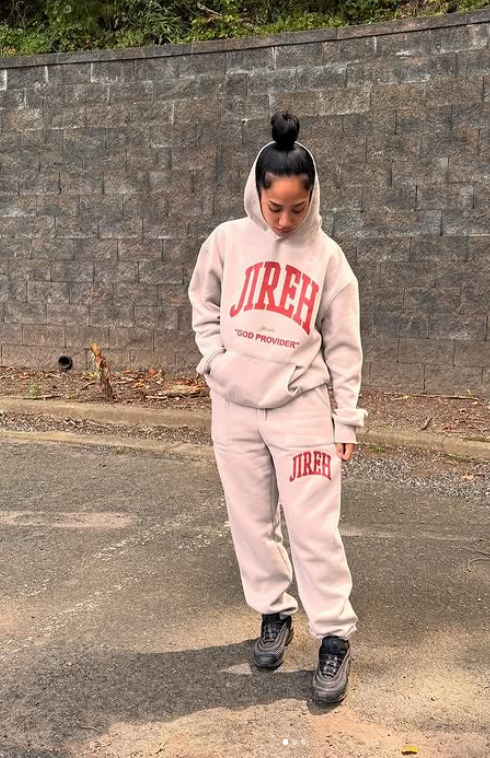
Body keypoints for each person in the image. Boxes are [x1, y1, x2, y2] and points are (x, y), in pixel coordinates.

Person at [188, 110, 367, 705]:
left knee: (314, 528)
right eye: (274, 208)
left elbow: (344, 346)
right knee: (250, 522)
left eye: (297, 208)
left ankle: (333, 637)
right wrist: (216, 360)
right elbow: (203, 303)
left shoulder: (328, 259)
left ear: (312, 198)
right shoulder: (226, 241)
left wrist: (346, 419)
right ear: (256, 192)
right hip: (234, 406)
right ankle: (273, 613)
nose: (285, 220)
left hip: (302, 409)